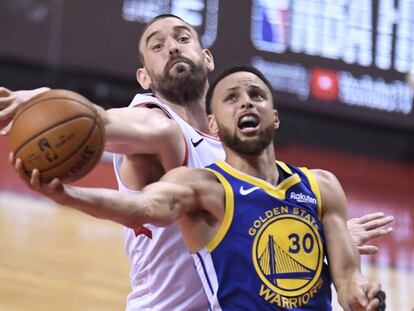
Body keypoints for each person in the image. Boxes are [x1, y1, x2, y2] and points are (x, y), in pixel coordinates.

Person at [0, 14, 392, 311]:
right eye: (157, 46)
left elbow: (249, 227)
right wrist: (43, 100)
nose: (171, 47)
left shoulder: (232, 147)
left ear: (206, 58)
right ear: (143, 77)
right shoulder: (158, 124)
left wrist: (316, 235)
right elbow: (101, 121)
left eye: (182, 38)